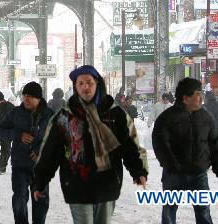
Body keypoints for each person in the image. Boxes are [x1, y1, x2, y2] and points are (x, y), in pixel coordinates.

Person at [32, 65, 148, 224]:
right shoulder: (64, 117)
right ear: (75, 87)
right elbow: (50, 151)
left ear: (97, 84)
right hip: (76, 182)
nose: (85, 87)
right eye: (80, 83)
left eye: (89, 82)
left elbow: (129, 145)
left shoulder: (116, 114)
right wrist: (40, 182)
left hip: (107, 182)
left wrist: (138, 170)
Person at [152, 77, 218, 224]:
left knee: (203, 212)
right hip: (174, 174)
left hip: (198, 174)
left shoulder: (206, 118)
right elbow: (160, 144)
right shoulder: (167, 118)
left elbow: (214, 143)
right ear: (185, 98)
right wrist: (171, 165)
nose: (201, 98)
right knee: (169, 212)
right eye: (197, 94)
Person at [0, 82, 54, 224]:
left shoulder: (49, 115)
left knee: (40, 201)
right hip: (20, 164)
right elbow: (2, 130)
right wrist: (18, 135)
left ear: (39, 98)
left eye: (30, 96)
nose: (26, 99)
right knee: (19, 199)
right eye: (24, 95)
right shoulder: (15, 112)